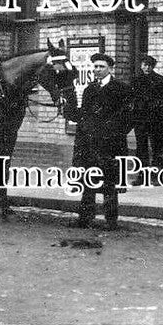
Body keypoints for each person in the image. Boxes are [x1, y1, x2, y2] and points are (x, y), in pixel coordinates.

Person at [64, 52, 131, 230]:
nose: (97, 70)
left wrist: (114, 133)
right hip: (90, 144)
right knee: (88, 181)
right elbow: (83, 116)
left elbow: (129, 118)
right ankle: (85, 217)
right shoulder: (89, 90)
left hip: (111, 145)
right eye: (95, 66)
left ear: (110, 68)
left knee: (109, 183)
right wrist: (68, 109)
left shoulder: (121, 89)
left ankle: (111, 220)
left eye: (101, 66)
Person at [130, 54, 163, 169]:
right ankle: (142, 175)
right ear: (141, 65)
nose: (147, 68)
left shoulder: (161, 80)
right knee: (141, 147)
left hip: (155, 119)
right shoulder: (136, 80)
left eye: (150, 65)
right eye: (145, 65)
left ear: (153, 66)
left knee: (157, 147)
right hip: (140, 119)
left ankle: (157, 175)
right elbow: (130, 98)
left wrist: (161, 109)